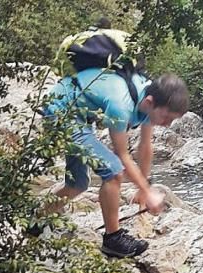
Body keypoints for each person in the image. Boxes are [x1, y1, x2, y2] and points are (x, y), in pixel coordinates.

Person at [44, 29, 189, 258]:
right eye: (167, 118)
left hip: (80, 114)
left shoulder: (147, 95)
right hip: (60, 110)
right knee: (112, 171)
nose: (168, 125)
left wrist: (145, 188)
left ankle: (35, 219)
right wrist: (148, 193)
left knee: (79, 183)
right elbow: (121, 154)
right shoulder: (121, 103)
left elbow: (145, 147)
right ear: (151, 103)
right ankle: (113, 239)